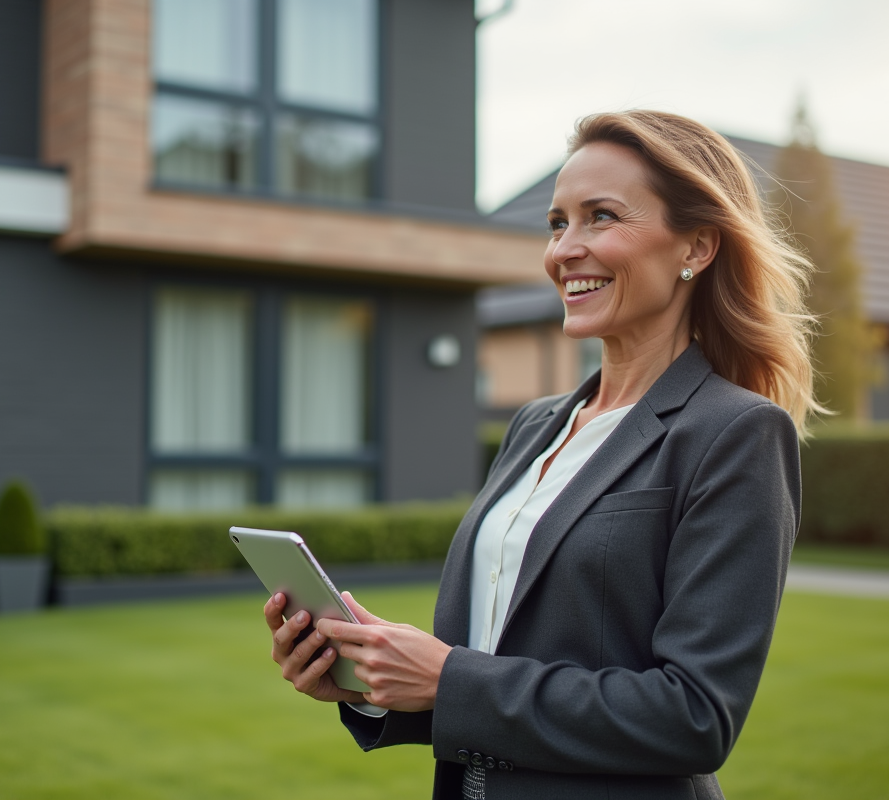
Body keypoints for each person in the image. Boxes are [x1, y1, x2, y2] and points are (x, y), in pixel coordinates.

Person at [263, 110, 818, 800]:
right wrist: (374, 681)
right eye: (558, 223)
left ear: (697, 247)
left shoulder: (735, 433)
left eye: (601, 217)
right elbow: (489, 666)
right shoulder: (536, 426)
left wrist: (448, 676)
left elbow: (694, 717)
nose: (564, 251)